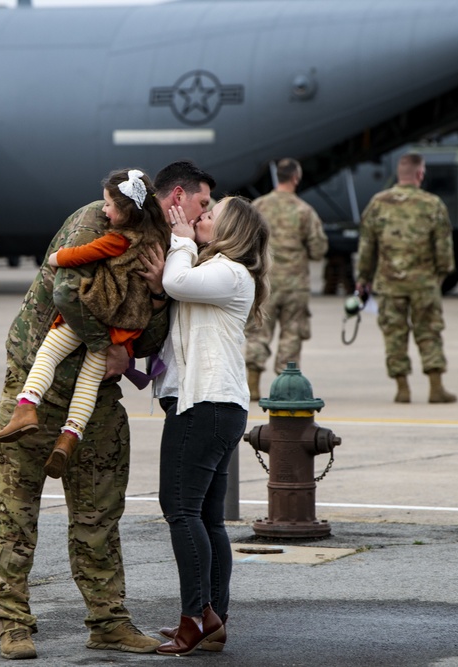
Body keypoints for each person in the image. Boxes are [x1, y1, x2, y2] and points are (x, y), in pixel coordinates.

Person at [0, 160, 215, 661]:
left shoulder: (166, 249)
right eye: (201, 204)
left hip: (97, 398)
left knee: (99, 515)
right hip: (38, 381)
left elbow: (153, 339)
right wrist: (105, 344)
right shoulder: (98, 218)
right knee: (16, 512)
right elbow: (61, 290)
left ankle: (108, 621)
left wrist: (158, 293)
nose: (205, 215)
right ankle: (12, 622)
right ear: (175, 195)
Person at [0, 169, 169, 480]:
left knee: (48, 353)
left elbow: (85, 253)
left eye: (108, 206)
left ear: (126, 211)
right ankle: (69, 438)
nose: (103, 211)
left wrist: (56, 258)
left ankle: (26, 406)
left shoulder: (119, 239)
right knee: (90, 381)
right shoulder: (158, 239)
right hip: (127, 327)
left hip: (98, 309)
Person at [153, 196, 270, 657]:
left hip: (206, 404)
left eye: (209, 215)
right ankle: (213, 618)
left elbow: (176, 282)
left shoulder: (229, 271)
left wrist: (179, 242)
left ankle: (196, 618)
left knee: (180, 509)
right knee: (206, 517)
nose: (199, 218)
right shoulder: (219, 272)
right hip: (217, 406)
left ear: (231, 230)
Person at [356, 152, 456, 403]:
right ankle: (436, 388)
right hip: (424, 283)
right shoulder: (433, 204)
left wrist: (362, 278)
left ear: (399, 175)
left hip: (389, 284)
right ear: (420, 174)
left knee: (394, 335)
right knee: (429, 332)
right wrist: (439, 276)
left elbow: (367, 246)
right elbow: (444, 250)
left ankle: (402, 388)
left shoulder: (378, 203)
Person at [244, 158, 328, 400]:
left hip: (264, 282)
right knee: (292, 333)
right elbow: (318, 249)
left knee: (258, 331)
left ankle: (253, 383)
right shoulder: (304, 211)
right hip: (295, 286)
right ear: (296, 178)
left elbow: (246, 242)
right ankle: (287, 386)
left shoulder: (258, 206)